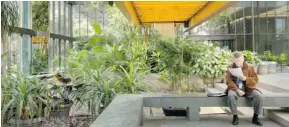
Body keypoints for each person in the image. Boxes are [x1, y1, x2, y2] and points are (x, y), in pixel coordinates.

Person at [225, 51, 263, 126]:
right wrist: (237, 89)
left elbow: (256, 79)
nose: (238, 63)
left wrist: (246, 79)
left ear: (243, 59)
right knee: (231, 95)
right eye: (236, 61)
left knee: (259, 96)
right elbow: (228, 81)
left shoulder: (250, 67)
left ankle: (255, 117)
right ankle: (235, 116)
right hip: (235, 89)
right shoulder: (230, 67)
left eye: (239, 60)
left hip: (249, 89)